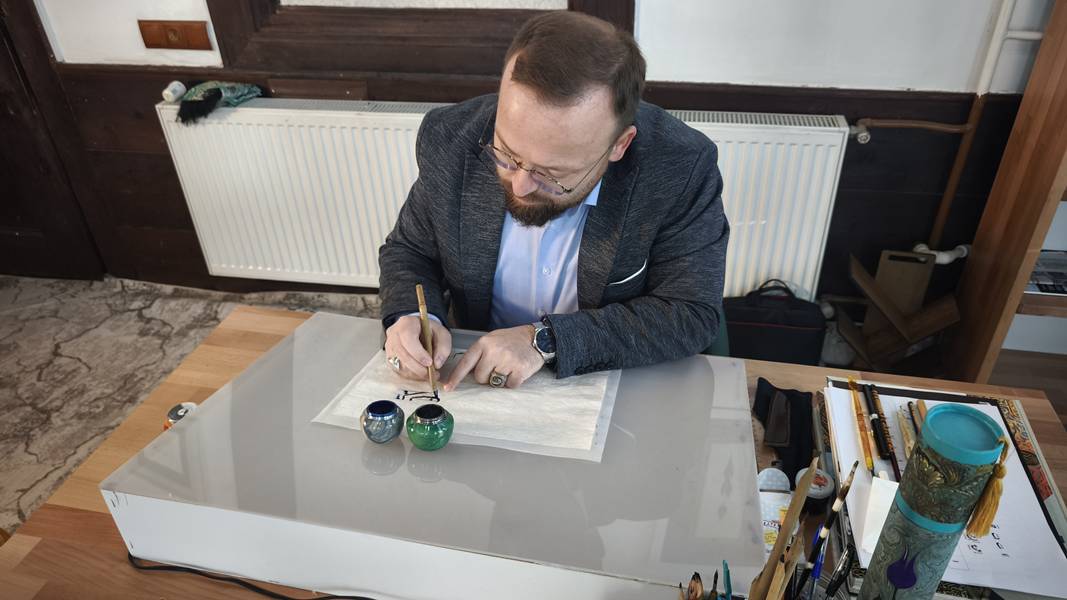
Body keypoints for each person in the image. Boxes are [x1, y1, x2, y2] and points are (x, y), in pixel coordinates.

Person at [378, 11, 728, 390]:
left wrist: (545, 341)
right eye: (506, 153)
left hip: (608, 382)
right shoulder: (450, 139)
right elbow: (410, 251)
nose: (520, 186)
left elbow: (689, 312)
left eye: (551, 173)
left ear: (619, 145)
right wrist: (414, 316)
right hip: (476, 383)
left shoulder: (679, 167)